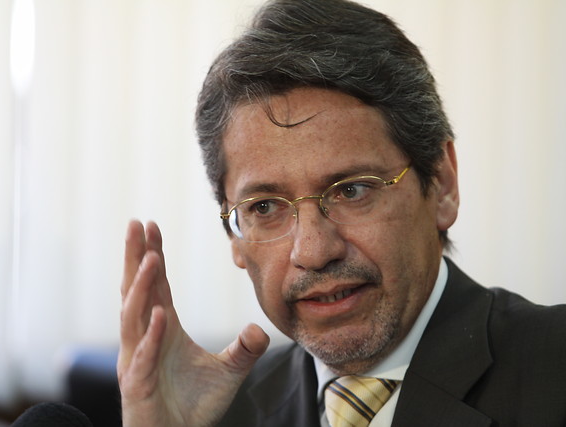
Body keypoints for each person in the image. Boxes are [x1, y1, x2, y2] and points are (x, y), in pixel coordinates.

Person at [116, 0, 566, 426]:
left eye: (352, 190)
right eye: (265, 207)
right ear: (234, 236)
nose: (313, 251)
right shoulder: (220, 414)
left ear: (442, 184)